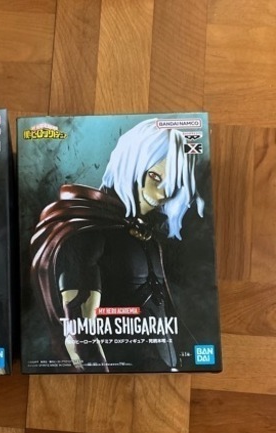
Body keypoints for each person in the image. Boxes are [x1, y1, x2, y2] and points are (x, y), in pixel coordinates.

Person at [31, 118, 204, 372]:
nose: (161, 193)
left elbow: (166, 312)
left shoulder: (147, 237)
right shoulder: (88, 233)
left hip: (166, 369)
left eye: (171, 184)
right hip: (119, 372)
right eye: (154, 176)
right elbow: (79, 335)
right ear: (131, 163)